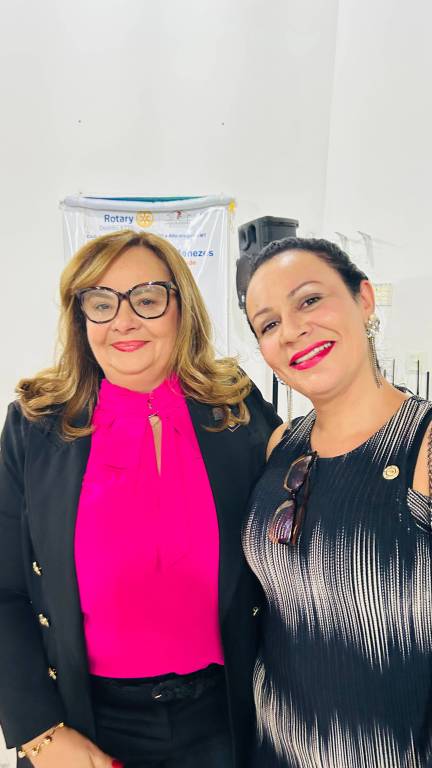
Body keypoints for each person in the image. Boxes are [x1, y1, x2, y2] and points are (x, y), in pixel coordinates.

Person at [0, 229, 281, 768]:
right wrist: (38, 732)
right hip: (82, 721)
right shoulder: (34, 425)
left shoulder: (236, 406)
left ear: (181, 309)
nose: (123, 321)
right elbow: (5, 588)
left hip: (222, 718)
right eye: (101, 303)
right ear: (82, 319)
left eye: (147, 299)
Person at [243, 237, 432, 768]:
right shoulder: (282, 445)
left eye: (309, 300)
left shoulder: (424, 444)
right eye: (268, 324)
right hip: (271, 750)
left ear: (364, 299)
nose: (291, 330)